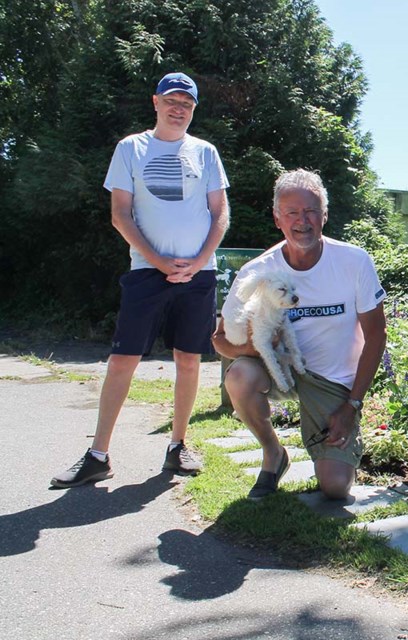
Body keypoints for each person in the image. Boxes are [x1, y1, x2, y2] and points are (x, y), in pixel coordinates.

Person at [51, 72, 230, 488]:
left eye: (187, 103)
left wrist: (200, 259)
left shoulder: (205, 153)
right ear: (156, 102)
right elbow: (121, 215)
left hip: (197, 274)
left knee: (188, 360)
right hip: (146, 272)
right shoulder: (131, 148)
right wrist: (158, 261)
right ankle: (98, 455)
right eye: (172, 100)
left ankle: (178, 446)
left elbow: (219, 213)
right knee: (123, 360)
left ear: (193, 109)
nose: (179, 108)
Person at [212, 169, 387, 501]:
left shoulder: (353, 261)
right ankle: (273, 453)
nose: (302, 220)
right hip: (279, 368)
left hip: (332, 381)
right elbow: (219, 339)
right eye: (292, 212)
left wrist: (351, 405)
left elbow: (376, 336)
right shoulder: (257, 272)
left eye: (310, 211)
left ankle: (331, 451)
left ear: (324, 215)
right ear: (278, 219)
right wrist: (256, 346)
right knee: (239, 377)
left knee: (335, 487)